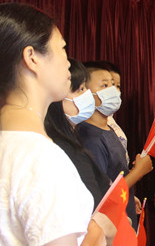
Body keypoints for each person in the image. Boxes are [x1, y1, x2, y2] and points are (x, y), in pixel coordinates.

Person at [0, 3, 113, 246]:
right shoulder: (42, 160)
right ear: (32, 58)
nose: (68, 63)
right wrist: (94, 237)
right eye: (62, 49)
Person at [77, 62, 153, 246]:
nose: (113, 91)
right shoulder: (89, 137)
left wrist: (130, 194)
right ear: (86, 93)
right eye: (104, 85)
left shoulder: (109, 130)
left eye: (114, 85)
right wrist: (138, 173)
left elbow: (115, 177)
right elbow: (102, 197)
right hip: (105, 235)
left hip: (121, 228)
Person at [44, 58, 110, 207]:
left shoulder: (71, 136)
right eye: (80, 89)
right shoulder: (62, 146)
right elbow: (92, 202)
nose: (87, 94)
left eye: (85, 87)